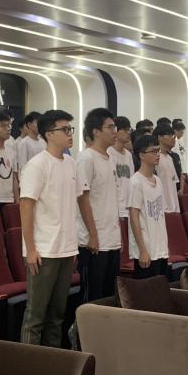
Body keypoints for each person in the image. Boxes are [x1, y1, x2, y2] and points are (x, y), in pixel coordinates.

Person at [18, 109, 95, 346]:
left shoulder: (71, 163)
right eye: (65, 129)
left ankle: (53, 360)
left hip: (66, 248)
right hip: (44, 250)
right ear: (49, 134)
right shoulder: (37, 165)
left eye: (71, 129)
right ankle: (28, 361)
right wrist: (30, 249)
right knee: (35, 316)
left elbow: (77, 202)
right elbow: (26, 206)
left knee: (57, 315)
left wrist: (74, 246)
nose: (70, 134)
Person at [76, 108, 122, 301]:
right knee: (92, 297)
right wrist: (93, 235)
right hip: (93, 242)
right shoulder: (86, 158)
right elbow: (82, 198)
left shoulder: (110, 158)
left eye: (114, 127)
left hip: (111, 238)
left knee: (109, 296)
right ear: (95, 131)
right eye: (109, 127)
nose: (114, 131)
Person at [128, 134, 169, 280]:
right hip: (146, 250)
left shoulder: (158, 180)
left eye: (158, 151)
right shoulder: (136, 182)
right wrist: (142, 250)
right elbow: (134, 218)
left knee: (161, 288)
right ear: (141, 155)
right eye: (153, 151)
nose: (158, 155)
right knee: (147, 291)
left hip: (161, 249)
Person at [109, 116, 134, 221]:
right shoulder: (108, 153)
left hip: (128, 209)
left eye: (129, 129)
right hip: (115, 210)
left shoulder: (128, 155)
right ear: (115, 131)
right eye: (125, 130)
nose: (128, 132)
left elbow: (131, 181)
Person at [154, 124, 181, 213]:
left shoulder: (170, 158)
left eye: (173, 136)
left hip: (174, 207)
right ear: (160, 137)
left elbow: (173, 183)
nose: (172, 138)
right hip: (162, 208)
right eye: (169, 135)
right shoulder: (154, 157)